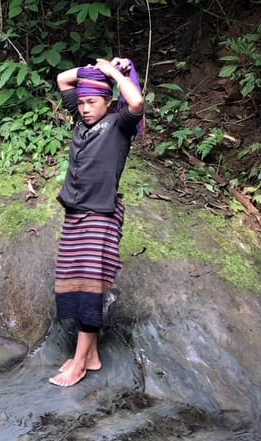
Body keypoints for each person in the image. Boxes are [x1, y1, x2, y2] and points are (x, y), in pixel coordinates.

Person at [48, 57, 145, 387]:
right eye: (83, 102)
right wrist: (92, 69)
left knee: (91, 289)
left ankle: (80, 361)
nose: (85, 108)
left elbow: (137, 101)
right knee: (74, 285)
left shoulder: (119, 124)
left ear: (108, 101)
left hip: (100, 216)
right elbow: (63, 78)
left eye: (92, 102)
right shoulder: (82, 120)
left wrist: (115, 73)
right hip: (75, 215)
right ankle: (90, 355)